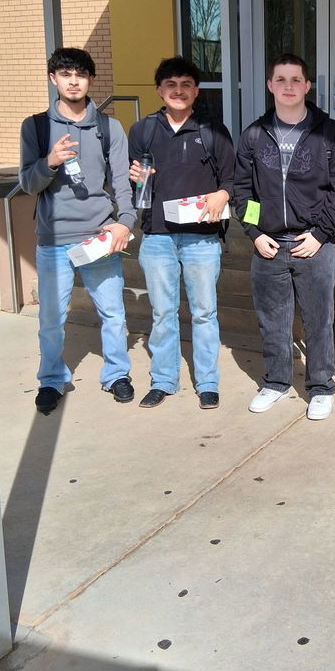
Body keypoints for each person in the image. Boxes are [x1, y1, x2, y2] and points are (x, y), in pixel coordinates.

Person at [233, 53, 335, 420]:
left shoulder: (327, 133)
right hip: (268, 246)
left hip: (313, 245)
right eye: (280, 80)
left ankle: (320, 387)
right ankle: (277, 382)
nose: (288, 87)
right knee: (273, 321)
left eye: (295, 80)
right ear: (270, 85)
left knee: (318, 320)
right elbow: (242, 191)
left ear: (307, 85)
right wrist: (253, 233)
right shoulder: (254, 134)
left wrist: (321, 233)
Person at [19, 47, 135, 413]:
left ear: (90, 80)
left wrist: (124, 223)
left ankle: (116, 374)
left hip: (98, 236)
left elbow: (121, 182)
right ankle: (51, 379)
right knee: (51, 318)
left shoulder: (108, 127)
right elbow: (27, 184)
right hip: (53, 240)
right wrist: (49, 162)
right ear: (53, 78)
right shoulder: (35, 126)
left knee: (113, 312)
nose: (73, 81)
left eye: (80, 75)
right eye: (65, 74)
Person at [128, 56, 235, 411]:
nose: (178, 91)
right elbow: (135, 187)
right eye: (171, 85)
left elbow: (233, 179)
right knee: (162, 312)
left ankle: (207, 382)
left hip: (201, 238)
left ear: (197, 91)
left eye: (186, 84)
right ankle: (163, 380)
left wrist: (223, 193)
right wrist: (136, 180)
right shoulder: (143, 131)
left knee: (204, 312)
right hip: (157, 236)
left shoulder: (212, 131)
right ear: (159, 90)